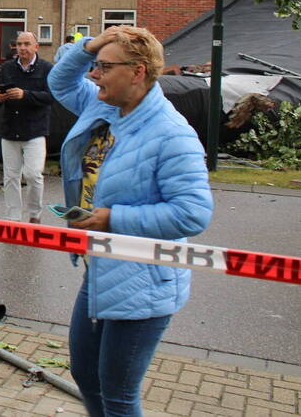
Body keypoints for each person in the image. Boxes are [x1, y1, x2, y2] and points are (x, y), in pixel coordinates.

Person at [49, 26, 213, 416]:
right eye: (95, 65)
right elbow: (59, 79)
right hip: (101, 269)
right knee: (86, 376)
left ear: (137, 72)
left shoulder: (172, 134)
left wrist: (113, 218)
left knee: (119, 394)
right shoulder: (104, 105)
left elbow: (193, 212)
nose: (94, 74)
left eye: (104, 67)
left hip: (145, 281)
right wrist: (91, 45)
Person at [0, 31, 53, 223]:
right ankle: (13, 217)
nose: (22, 48)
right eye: (19, 44)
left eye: (27, 44)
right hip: (10, 129)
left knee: (33, 174)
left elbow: (51, 97)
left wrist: (25, 95)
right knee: (10, 177)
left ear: (36, 47)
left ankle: (35, 213)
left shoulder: (47, 69)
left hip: (35, 130)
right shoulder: (7, 68)